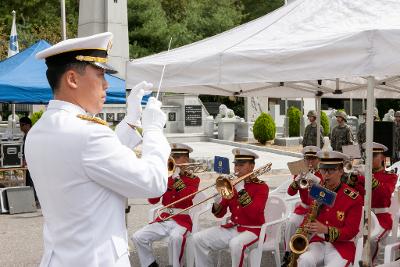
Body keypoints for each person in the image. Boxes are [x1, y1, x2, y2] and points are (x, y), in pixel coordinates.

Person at [25, 32, 170, 267]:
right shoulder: (89, 133)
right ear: (72, 79)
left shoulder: (39, 130)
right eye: (100, 74)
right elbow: (153, 182)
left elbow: (91, 163)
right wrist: (154, 130)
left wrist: (131, 120)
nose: (106, 84)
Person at [192, 148, 269, 267]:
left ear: (252, 166)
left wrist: (241, 190)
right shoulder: (232, 186)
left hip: (254, 230)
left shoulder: (262, 187)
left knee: (235, 244)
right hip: (233, 228)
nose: (237, 168)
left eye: (241, 165)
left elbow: (254, 213)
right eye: (236, 165)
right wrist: (217, 200)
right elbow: (219, 214)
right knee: (198, 239)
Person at [132, 143, 200, 267]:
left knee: (176, 238)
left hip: (182, 220)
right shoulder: (165, 176)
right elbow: (152, 201)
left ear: (186, 159)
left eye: (177, 157)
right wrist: (156, 181)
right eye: (172, 157)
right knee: (138, 237)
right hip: (163, 219)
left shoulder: (193, 179)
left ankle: (176, 265)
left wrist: (177, 178)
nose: (173, 160)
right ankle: (150, 264)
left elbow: (187, 198)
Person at [296, 150, 363, 267]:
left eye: (331, 170)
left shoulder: (353, 198)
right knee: (304, 260)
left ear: (341, 171)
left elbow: (351, 231)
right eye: (323, 169)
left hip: (341, 247)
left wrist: (326, 229)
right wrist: (299, 234)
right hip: (319, 242)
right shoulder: (319, 191)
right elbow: (309, 215)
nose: (326, 174)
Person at [347, 142, 397, 263]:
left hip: (381, 219)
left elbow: (384, 194)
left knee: (373, 241)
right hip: (361, 217)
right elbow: (350, 195)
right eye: (367, 156)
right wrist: (352, 180)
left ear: (382, 158)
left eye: (373, 155)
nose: (370, 159)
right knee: (351, 241)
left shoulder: (390, 176)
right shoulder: (361, 176)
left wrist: (369, 177)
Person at [281, 146, 323, 266]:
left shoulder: (323, 173)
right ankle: (288, 254)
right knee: (291, 223)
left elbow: (327, 193)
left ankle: (306, 255)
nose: (309, 162)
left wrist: (317, 181)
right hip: (304, 208)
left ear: (318, 160)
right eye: (307, 159)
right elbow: (290, 192)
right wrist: (297, 180)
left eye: (313, 159)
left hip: (319, 211)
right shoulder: (300, 172)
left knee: (311, 231)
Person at [19, 117, 38, 203]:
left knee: (31, 180)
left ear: (28, 125)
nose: (20, 127)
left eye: (22, 125)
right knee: (28, 179)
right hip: (29, 162)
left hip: (32, 162)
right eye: (20, 125)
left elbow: (32, 149)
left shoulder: (31, 135)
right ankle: (31, 198)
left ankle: (33, 198)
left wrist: (26, 159)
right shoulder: (27, 135)